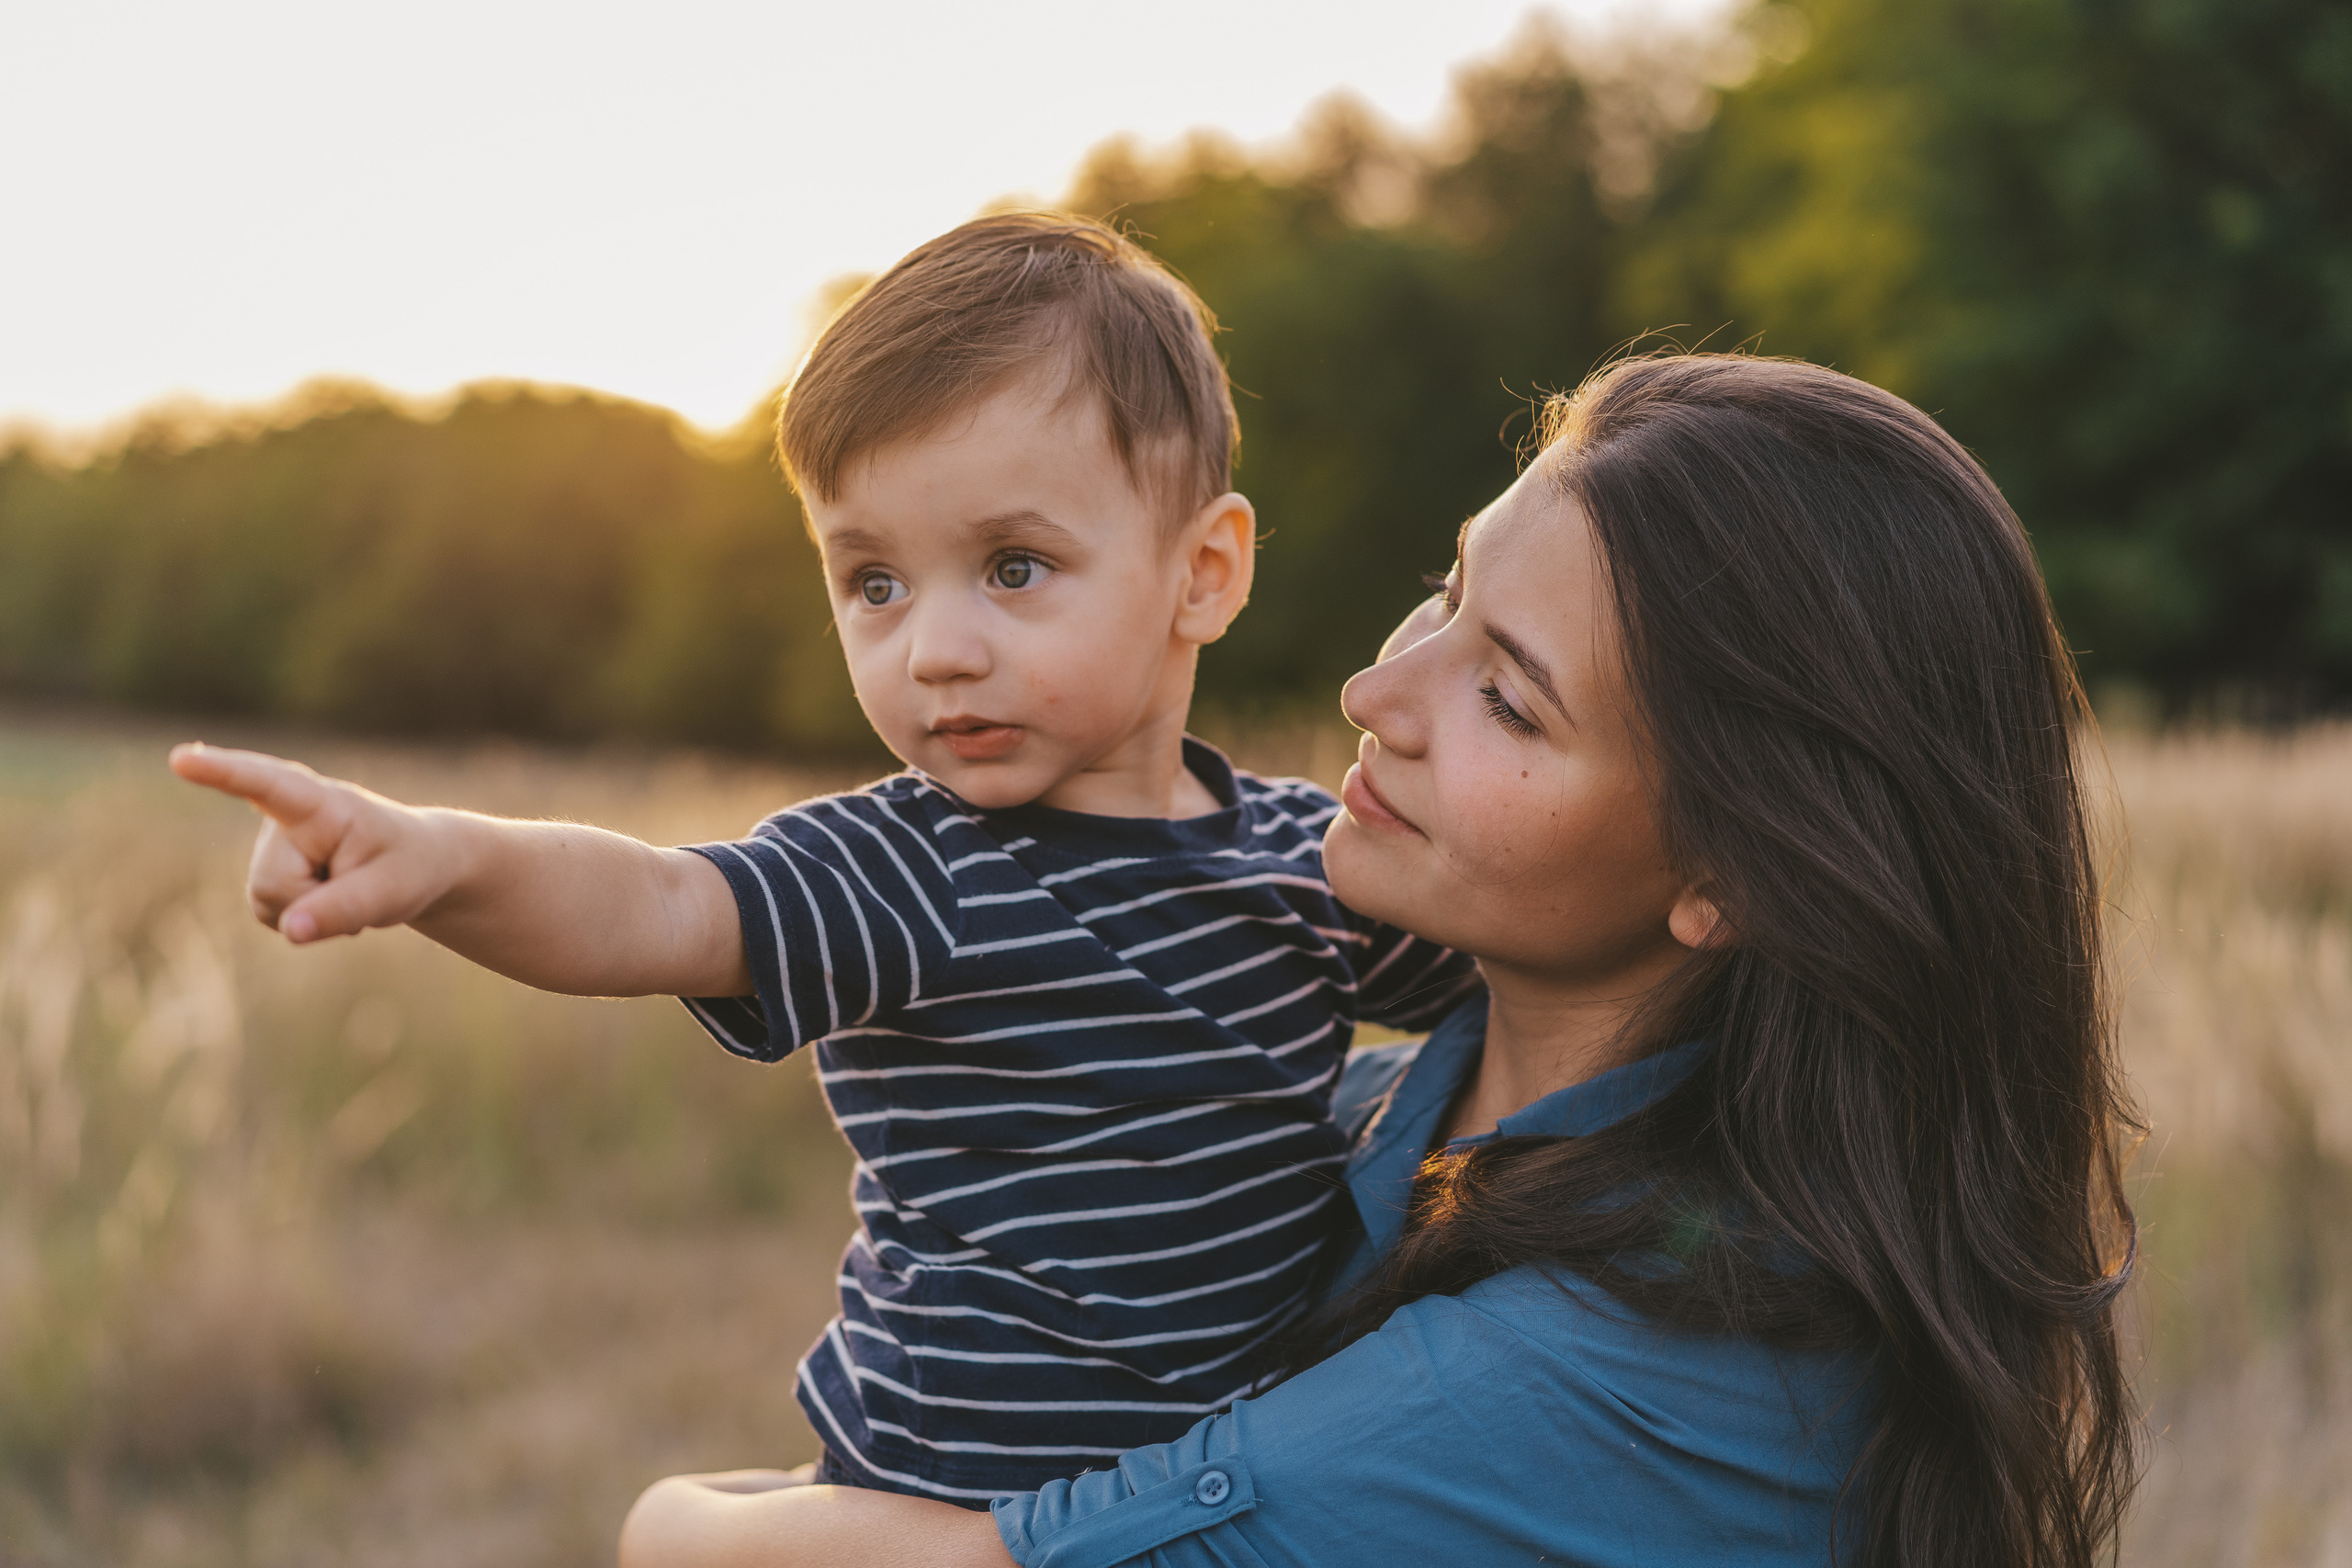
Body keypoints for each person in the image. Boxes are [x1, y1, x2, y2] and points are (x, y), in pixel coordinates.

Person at [616, 353, 2143, 1568]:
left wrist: (665, 1520)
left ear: (1731, 872)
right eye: (1450, 595)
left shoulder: (1594, 1371)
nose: (1374, 688)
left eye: (1513, 701)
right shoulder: (1390, 1110)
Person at [166, 213, 1478, 1504]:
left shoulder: (1312, 860)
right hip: (936, 1506)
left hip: (1211, 1506)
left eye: (1014, 568)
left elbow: (1517, 989)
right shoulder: (910, 869)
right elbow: (659, 907)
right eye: (874, 583)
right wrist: (450, 859)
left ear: (1202, 574)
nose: (934, 649)